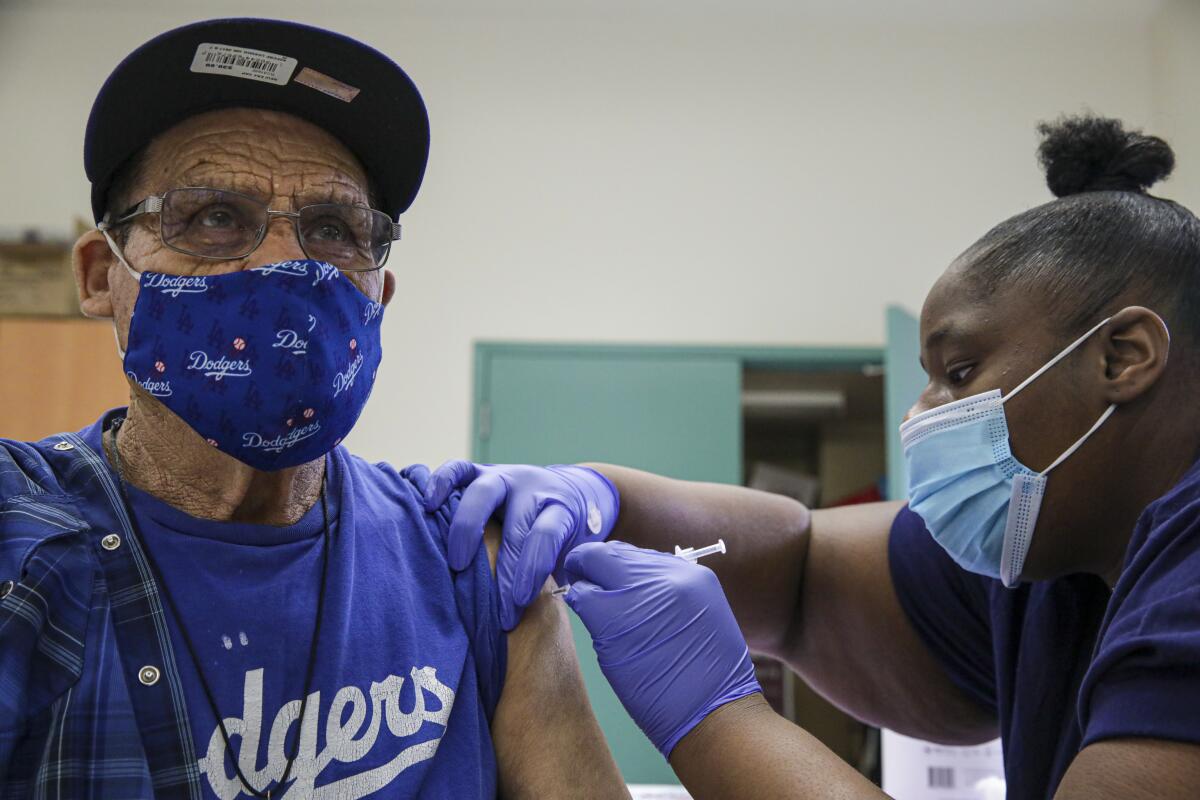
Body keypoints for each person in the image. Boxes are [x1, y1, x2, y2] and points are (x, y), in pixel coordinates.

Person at [427, 115, 1200, 798]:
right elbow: (800, 573)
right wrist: (601, 499)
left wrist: (717, 713)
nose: (922, 414)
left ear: (1123, 357)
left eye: (959, 373)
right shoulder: (1058, 553)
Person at [0, 18, 626, 799]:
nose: (287, 266)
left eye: (334, 231)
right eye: (214, 217)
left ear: (378, 298)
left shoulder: (476, 570)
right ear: (101, 275)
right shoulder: (21, 542)